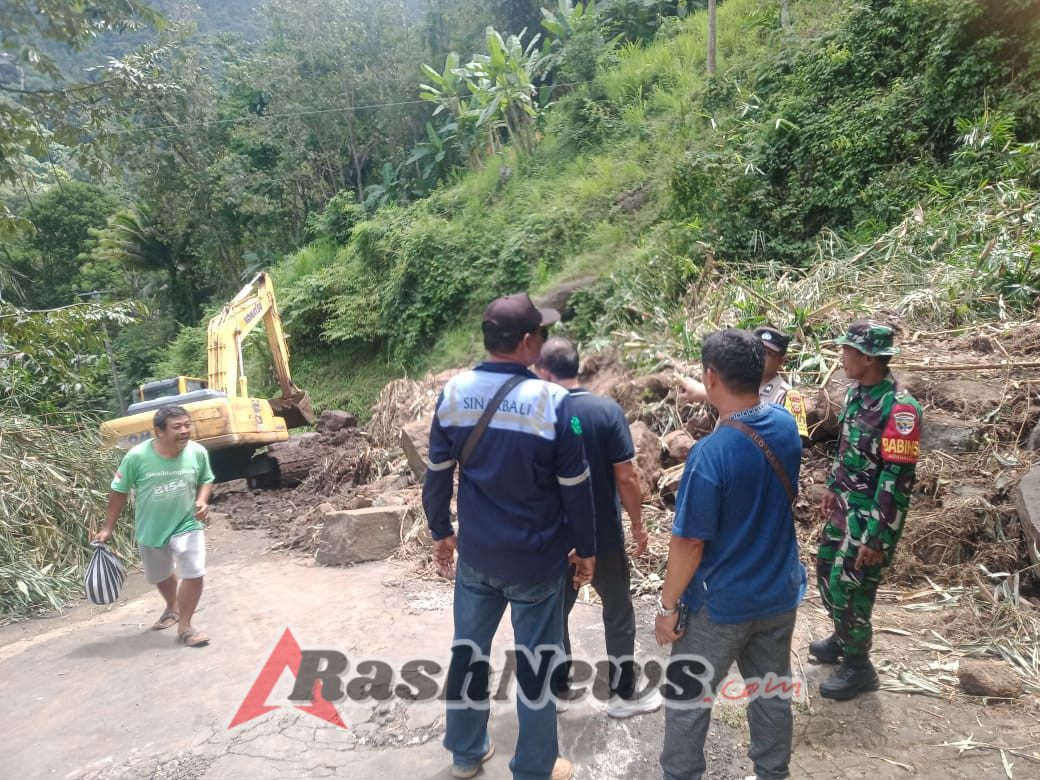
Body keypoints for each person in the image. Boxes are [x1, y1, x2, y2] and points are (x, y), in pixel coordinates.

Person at [422, 292, 596, 780]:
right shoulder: (554, 403)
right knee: (537, 663)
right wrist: (586, 550)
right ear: (526, 342)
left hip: (477, 556)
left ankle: (465, 751)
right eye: (540, 332)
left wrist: (441, 530)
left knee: (468, 651)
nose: (543, 338)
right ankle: (535, 765)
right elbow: (576, 490)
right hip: (536, 562)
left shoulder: (453, 393)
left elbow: (437, 473)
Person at [655, 329, 805, 780]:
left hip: (721, 605)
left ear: (711, 375)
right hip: (778, 594)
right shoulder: (784, 424)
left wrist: (667, 607)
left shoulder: (709, 454)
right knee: (771, 693)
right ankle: (772, 773)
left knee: (687, 699)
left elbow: (689, 543)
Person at [535, 337, 662, 719]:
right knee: (618, 610)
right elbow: (626, 476)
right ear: (580, 367)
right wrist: (638, 524)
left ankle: (557, 690)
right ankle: (623, 694)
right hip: (602, 535)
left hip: (555, 538)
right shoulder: (606, 411)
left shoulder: (538, 415)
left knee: (554, 612)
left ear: (544, 372)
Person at [812, 321, 922, 700]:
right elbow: (846, 447)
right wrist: (831, 484)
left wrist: (877, 537)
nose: (841, 357)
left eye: (848, 351)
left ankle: (859, 665)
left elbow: (897, 480)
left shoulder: (901, 410)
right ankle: (844, 637)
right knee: (826, 570)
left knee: (852, 587)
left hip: (873, 518)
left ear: (869, 358)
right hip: (844, 507)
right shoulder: (856, 392)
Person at [94, 405, 215, 648]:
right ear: (158, 431)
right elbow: (118, 491)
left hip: (187, 522)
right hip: (151, 528)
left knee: (194, 570)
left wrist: (202, 501)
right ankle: (172, 607)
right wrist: (107, 528)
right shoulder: (137, 457)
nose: (184, 431)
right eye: (177, 427)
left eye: (187, 425)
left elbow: (206, 479)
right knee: (161, 575)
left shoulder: (197, 452)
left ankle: (186, 627)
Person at [678, 327, 807, 434]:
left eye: (769, 353)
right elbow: (732, 403)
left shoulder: (788, 396)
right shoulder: (738, 382)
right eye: (760, 350)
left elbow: (793, 441)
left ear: (781, 361)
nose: (763, 357)